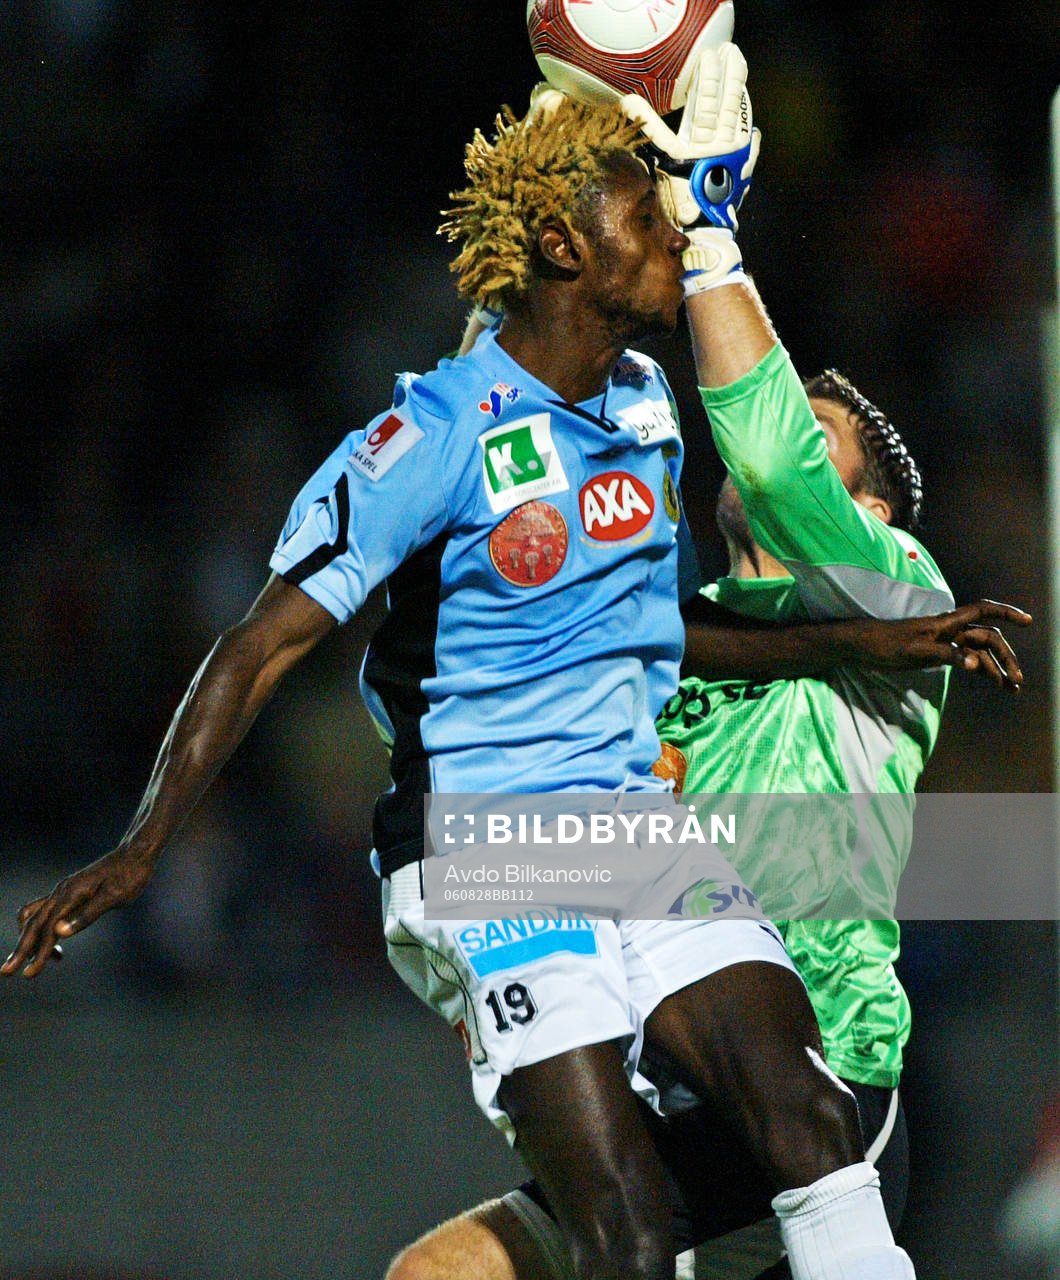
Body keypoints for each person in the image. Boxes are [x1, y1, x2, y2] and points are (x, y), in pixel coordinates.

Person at [4, 72, 922, 1280]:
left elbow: (651, 626)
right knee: (628, 1229)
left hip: (633, 822)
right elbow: (262, 643)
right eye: (647, 221)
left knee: (811, 1125)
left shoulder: (644, 407)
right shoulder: (426, 439)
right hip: (486, 847)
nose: (676, 240)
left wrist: (857, 639)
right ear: (560, 245)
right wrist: (140, 844)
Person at [379, 45, 1032, 1280]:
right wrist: (550, 163)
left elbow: (778, 462)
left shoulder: (900, 606)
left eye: (813, 426)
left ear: (879, 516)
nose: (765, 427)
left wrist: (710, 236)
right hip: (670, 1081)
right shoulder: (665, 624)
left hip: (817, 1072)